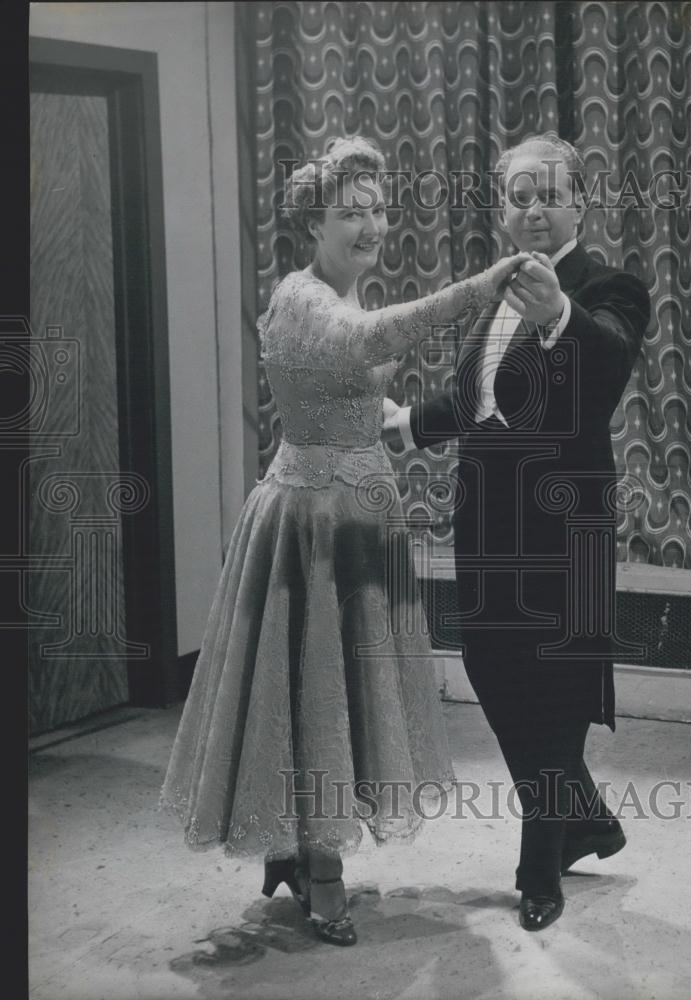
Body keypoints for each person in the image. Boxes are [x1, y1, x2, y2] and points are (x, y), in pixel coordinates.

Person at [159, 136, 531, 947]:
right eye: (349, 214)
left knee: (348, 693)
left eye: (376, 209)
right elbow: (372, 343)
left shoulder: (343, 289)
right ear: (312, 224)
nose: (369, 226)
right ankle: (317, 866)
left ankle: (303, 848)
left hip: (357, 510)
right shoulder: (305, 300)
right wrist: (479, 286)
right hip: (316, 521)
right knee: (317, 686)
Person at [384, 133, 651, 931]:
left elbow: (603, 370)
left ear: (578, 202)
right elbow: (477, 396)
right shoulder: (496, 293)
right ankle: (586, 817)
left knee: (558, 683)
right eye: (519, 197)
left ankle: (541, 866)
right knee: (491, 664)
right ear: (503, 211)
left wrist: (561, 314)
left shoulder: (611, 287)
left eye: (548, 195)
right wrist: (406, 426)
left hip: (566, 519)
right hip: (487, 516)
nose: (533, 210)